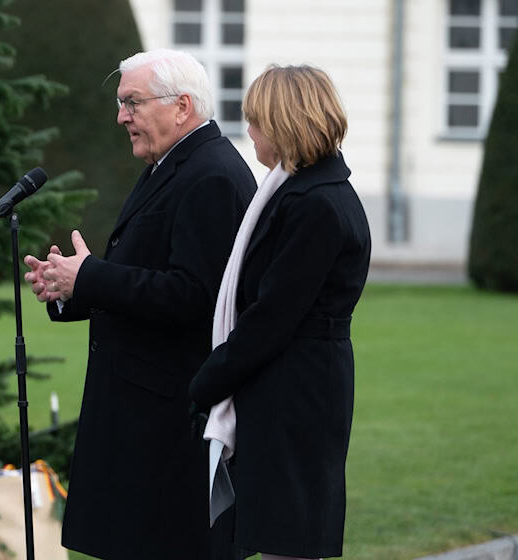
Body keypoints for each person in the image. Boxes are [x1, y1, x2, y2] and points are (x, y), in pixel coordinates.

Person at [24, 49, 256, 559]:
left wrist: (92, 276)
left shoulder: (211, 174)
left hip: (171, 418)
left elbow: (192, 296)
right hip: (144, 411)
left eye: (132, 102)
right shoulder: (172, 163)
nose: (121, 117)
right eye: (120, 102)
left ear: (182, 107)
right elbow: (147, 274)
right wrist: (72, 286)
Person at [188, 65, 371, 560]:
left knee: (289, 538)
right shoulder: (308, 191)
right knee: (279, 532)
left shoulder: (314, 202)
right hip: (292, 384)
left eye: (255, 121)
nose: (248, 133)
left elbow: (273, 315)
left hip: (297, 391)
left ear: (284, 123)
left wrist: (208, 381)